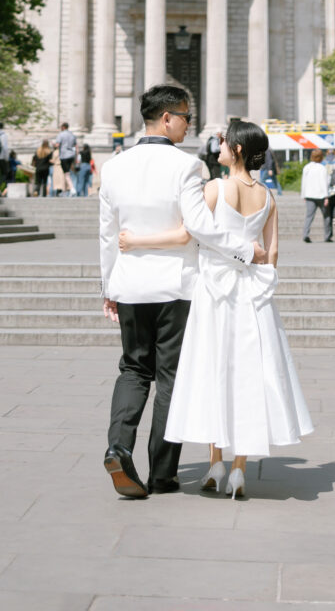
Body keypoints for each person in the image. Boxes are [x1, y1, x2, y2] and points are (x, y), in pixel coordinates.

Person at [119, 117, 312, 500]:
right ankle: (239, 469)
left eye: (222, 141)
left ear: (236, 149)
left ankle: (214, 463)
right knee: (247, 375)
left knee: (212, 369)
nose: (217, 146)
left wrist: (136, 240)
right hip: (252, 295)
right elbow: (271, 253)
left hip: (214, 292)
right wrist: (257, 276)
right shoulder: (269, 196)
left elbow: (189, 233)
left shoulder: (215, 188)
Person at [97, 84, 268, 499]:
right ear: (168, 118)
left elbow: (107, 234)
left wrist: (109, 285)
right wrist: (247, 250)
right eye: (187, 117)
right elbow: (200, 226)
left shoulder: (114, 166)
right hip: (176, 286)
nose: (190, 125)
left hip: (131, 284)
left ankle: (119, 446)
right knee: (172, 377)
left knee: (134, 369)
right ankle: (162, 473)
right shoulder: (188, 166)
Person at [300, 148, 332, 243]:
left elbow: (303, 182)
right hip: (321, 195)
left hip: (309, 195)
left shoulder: (307, 167)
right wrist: (327, 196)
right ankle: (327, 235)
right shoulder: (322, 168)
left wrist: (303, 195)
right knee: (326, 216)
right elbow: (324, 183)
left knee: (309, 216)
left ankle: (305, 234)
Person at [56, 122, 78, 195]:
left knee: (66, 174)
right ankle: (68, 189)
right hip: (71, 155)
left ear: (63, 127)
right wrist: (76, 158)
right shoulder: (72, 135)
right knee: (70, 173)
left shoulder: (61, 134)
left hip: (64, 155)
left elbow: (57, 145)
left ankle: (72, 188)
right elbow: (76, 147)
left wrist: (53, 144)